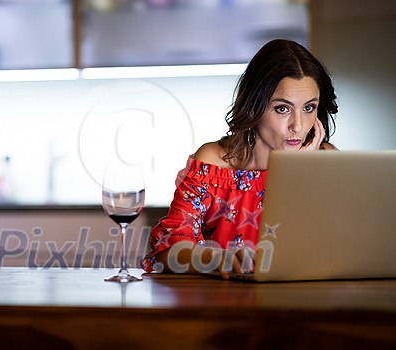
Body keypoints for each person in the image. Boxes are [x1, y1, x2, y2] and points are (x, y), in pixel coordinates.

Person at [140, 39, 338, 278]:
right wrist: (216, 258)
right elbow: (167, 250)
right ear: (255, 106)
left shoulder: (326, 160)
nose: (298, 126)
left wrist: (300, 173)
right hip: (225, 304)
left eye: (308, 108)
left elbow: (339, 247)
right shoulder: (214, 162)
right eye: (282, 109)